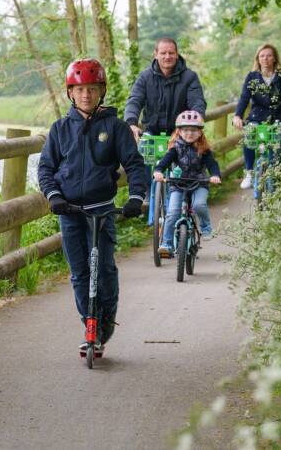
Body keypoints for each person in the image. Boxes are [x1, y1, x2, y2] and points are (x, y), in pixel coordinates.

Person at [37, 58, 147, 352]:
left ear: (102, 91)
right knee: (80, 273)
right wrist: (54, 196)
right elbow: (46, 169)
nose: (86, 95)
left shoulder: (115, 127)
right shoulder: (60, 129)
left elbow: (135, 165)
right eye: (80, 89)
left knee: (105, 271)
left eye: (92, 89)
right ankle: (90, 326)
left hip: (102, 210)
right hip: (70, 211)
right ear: (70, 93)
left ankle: (105, 323)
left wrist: (136, 197)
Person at [152, 110, 222, 256]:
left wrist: (215, 175)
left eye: (193, 130)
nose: (189, 133)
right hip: (178, 184)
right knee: (172, 213)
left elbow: (212, 164)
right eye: (185, 130)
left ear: (200, 132)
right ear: (179, 131)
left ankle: (206, 227)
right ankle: (166, 243)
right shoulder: (175, 148)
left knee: (199, 205)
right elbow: (165, 161)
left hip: (199, 183)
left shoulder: (203, 149)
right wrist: (158, 170)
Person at [232, 44, 281, 189]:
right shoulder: (252, 77)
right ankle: (249, 172)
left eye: (269, 55)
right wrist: (237, 116)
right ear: (258, 59)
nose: (265, 59)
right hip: (257, 117)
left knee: (279, 148)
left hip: (279, 118)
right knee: (249, 135)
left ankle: (276, 173)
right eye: (262, 56)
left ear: (274, 58)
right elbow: (244, 98)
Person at [124, 38, 208, 141]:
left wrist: (196, 119)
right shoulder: (145, 77)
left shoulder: (190, 77)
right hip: (151, 133)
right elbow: (134, 100)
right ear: (156, 54)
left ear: (177, 54)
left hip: (181, 133)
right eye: (163, 53)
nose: (167, 57)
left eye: (171, 53)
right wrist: (131, 123)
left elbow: (197, 102)